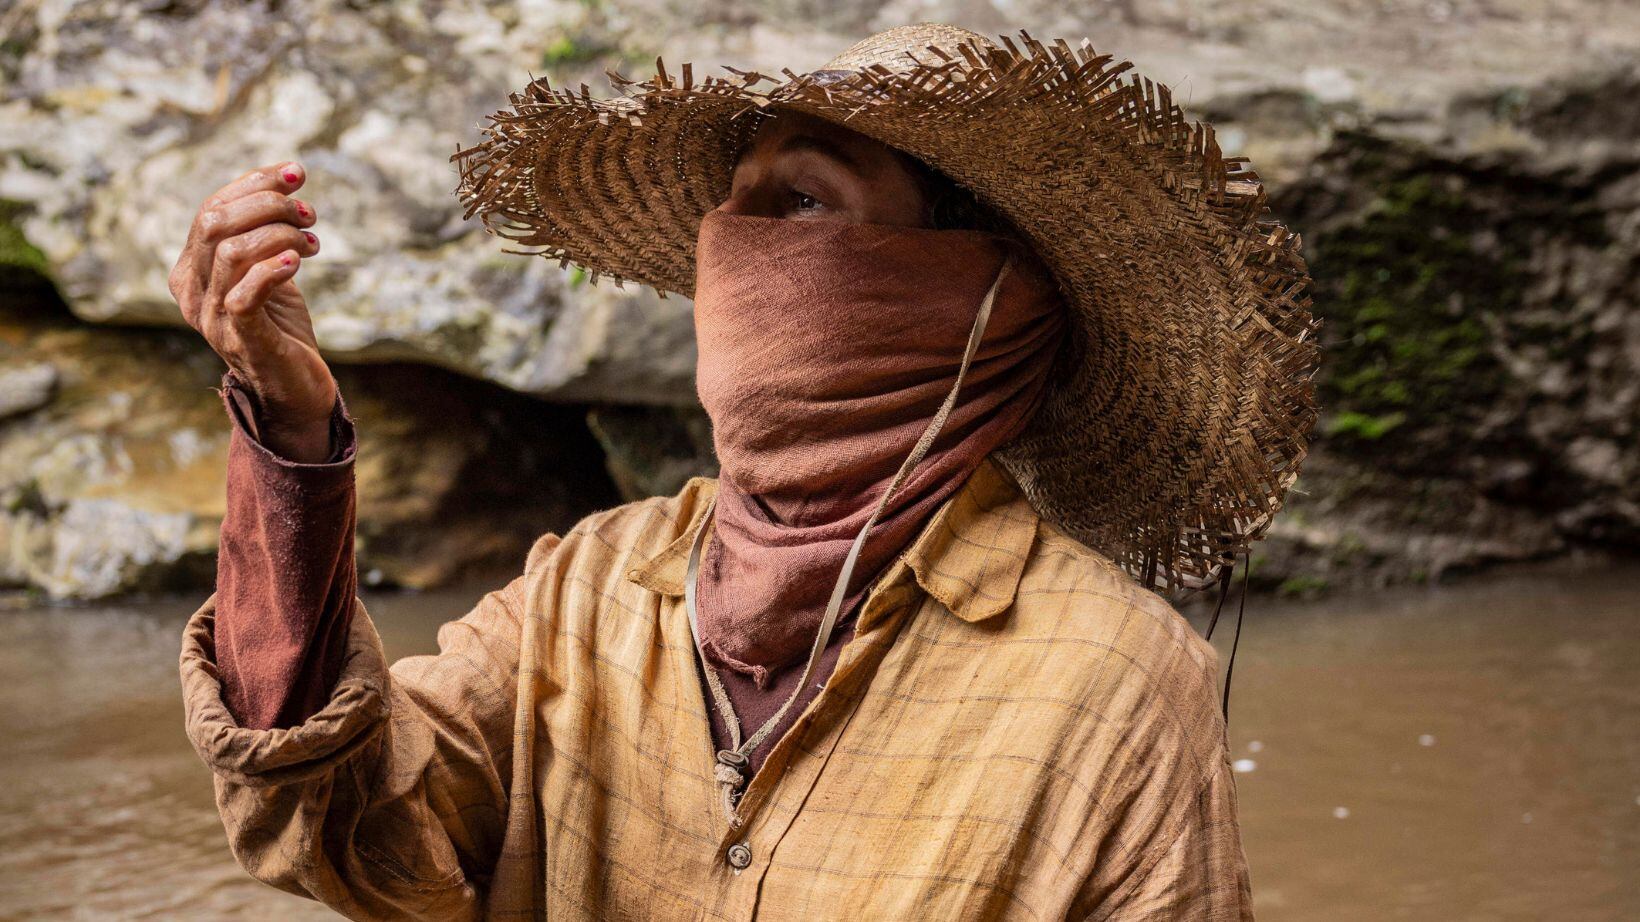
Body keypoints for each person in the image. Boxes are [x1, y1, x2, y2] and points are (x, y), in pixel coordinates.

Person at [172, 23, 1317, 921]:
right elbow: (337, 824)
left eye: (801, 202)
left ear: (975, 295)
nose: (733, 245)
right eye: (733, 206)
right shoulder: (586, 590)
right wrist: (292, 429)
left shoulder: (1110, 683)